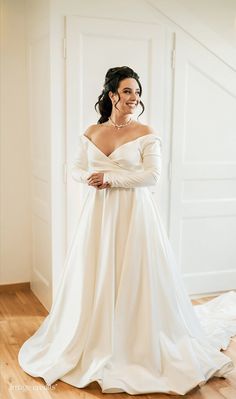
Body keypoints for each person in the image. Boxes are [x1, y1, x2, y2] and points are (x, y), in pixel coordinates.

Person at [18, 66, 236, 395]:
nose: (134, 98)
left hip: (134, 214)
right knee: (98, 271)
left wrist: (110, 178)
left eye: (137, 92)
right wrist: (88, 179)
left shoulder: (146, 132)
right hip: (99, 214)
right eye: (128, 91)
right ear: (112, 95)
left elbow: (152, 177)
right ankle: (93, 336)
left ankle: (136, 342)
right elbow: (76, 167)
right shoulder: (92, 130)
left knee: (134, 273)